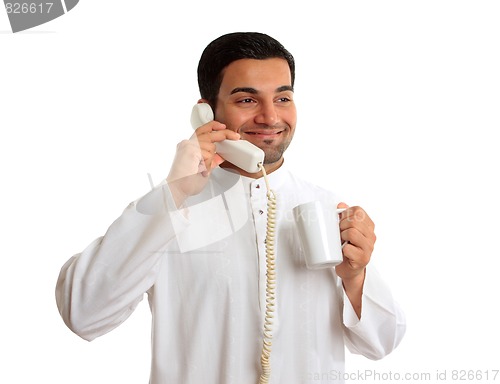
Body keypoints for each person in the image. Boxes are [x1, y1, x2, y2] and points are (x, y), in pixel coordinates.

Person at [56, 32, 406, 384]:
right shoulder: (167, 211)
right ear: (207, 112)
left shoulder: (327, 209)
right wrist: (173, 194)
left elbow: (383, 343)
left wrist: (355, 278)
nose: (270, 117)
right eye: (247, 100)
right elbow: (82, 314)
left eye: (282, 98)